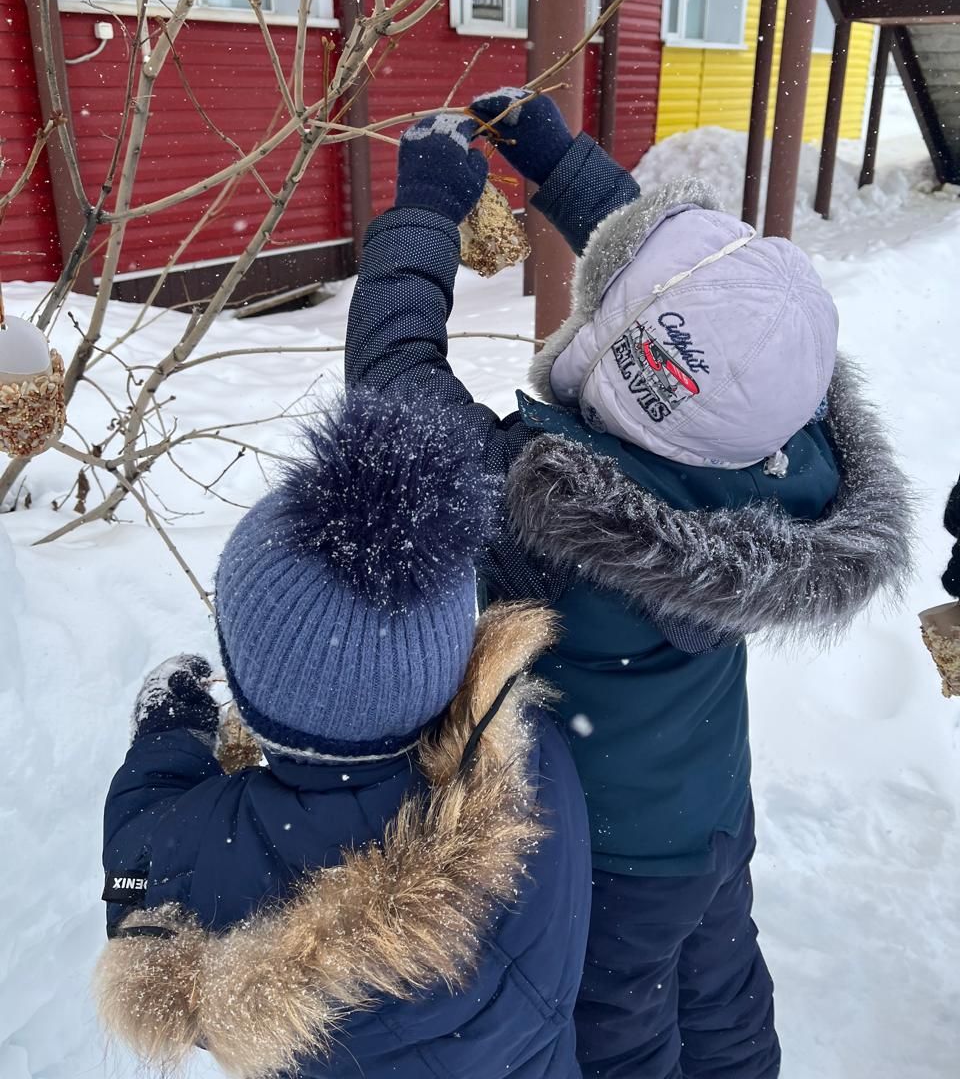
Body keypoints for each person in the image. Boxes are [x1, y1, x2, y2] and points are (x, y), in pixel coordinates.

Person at [345, 90, 914, 1079]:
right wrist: (561, 164)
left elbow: (391, 377)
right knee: (724, 989)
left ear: (612, 353)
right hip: (709, 813)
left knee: (622, 1033)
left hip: (604, 858)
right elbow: (716, 313)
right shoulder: (784, 469)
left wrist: (425, 213)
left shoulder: (547, 515)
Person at [94, 389, 592, 1079]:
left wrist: (168, 730)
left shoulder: (220, 860)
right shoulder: (529, 755)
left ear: (250, 694)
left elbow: (141, 858)